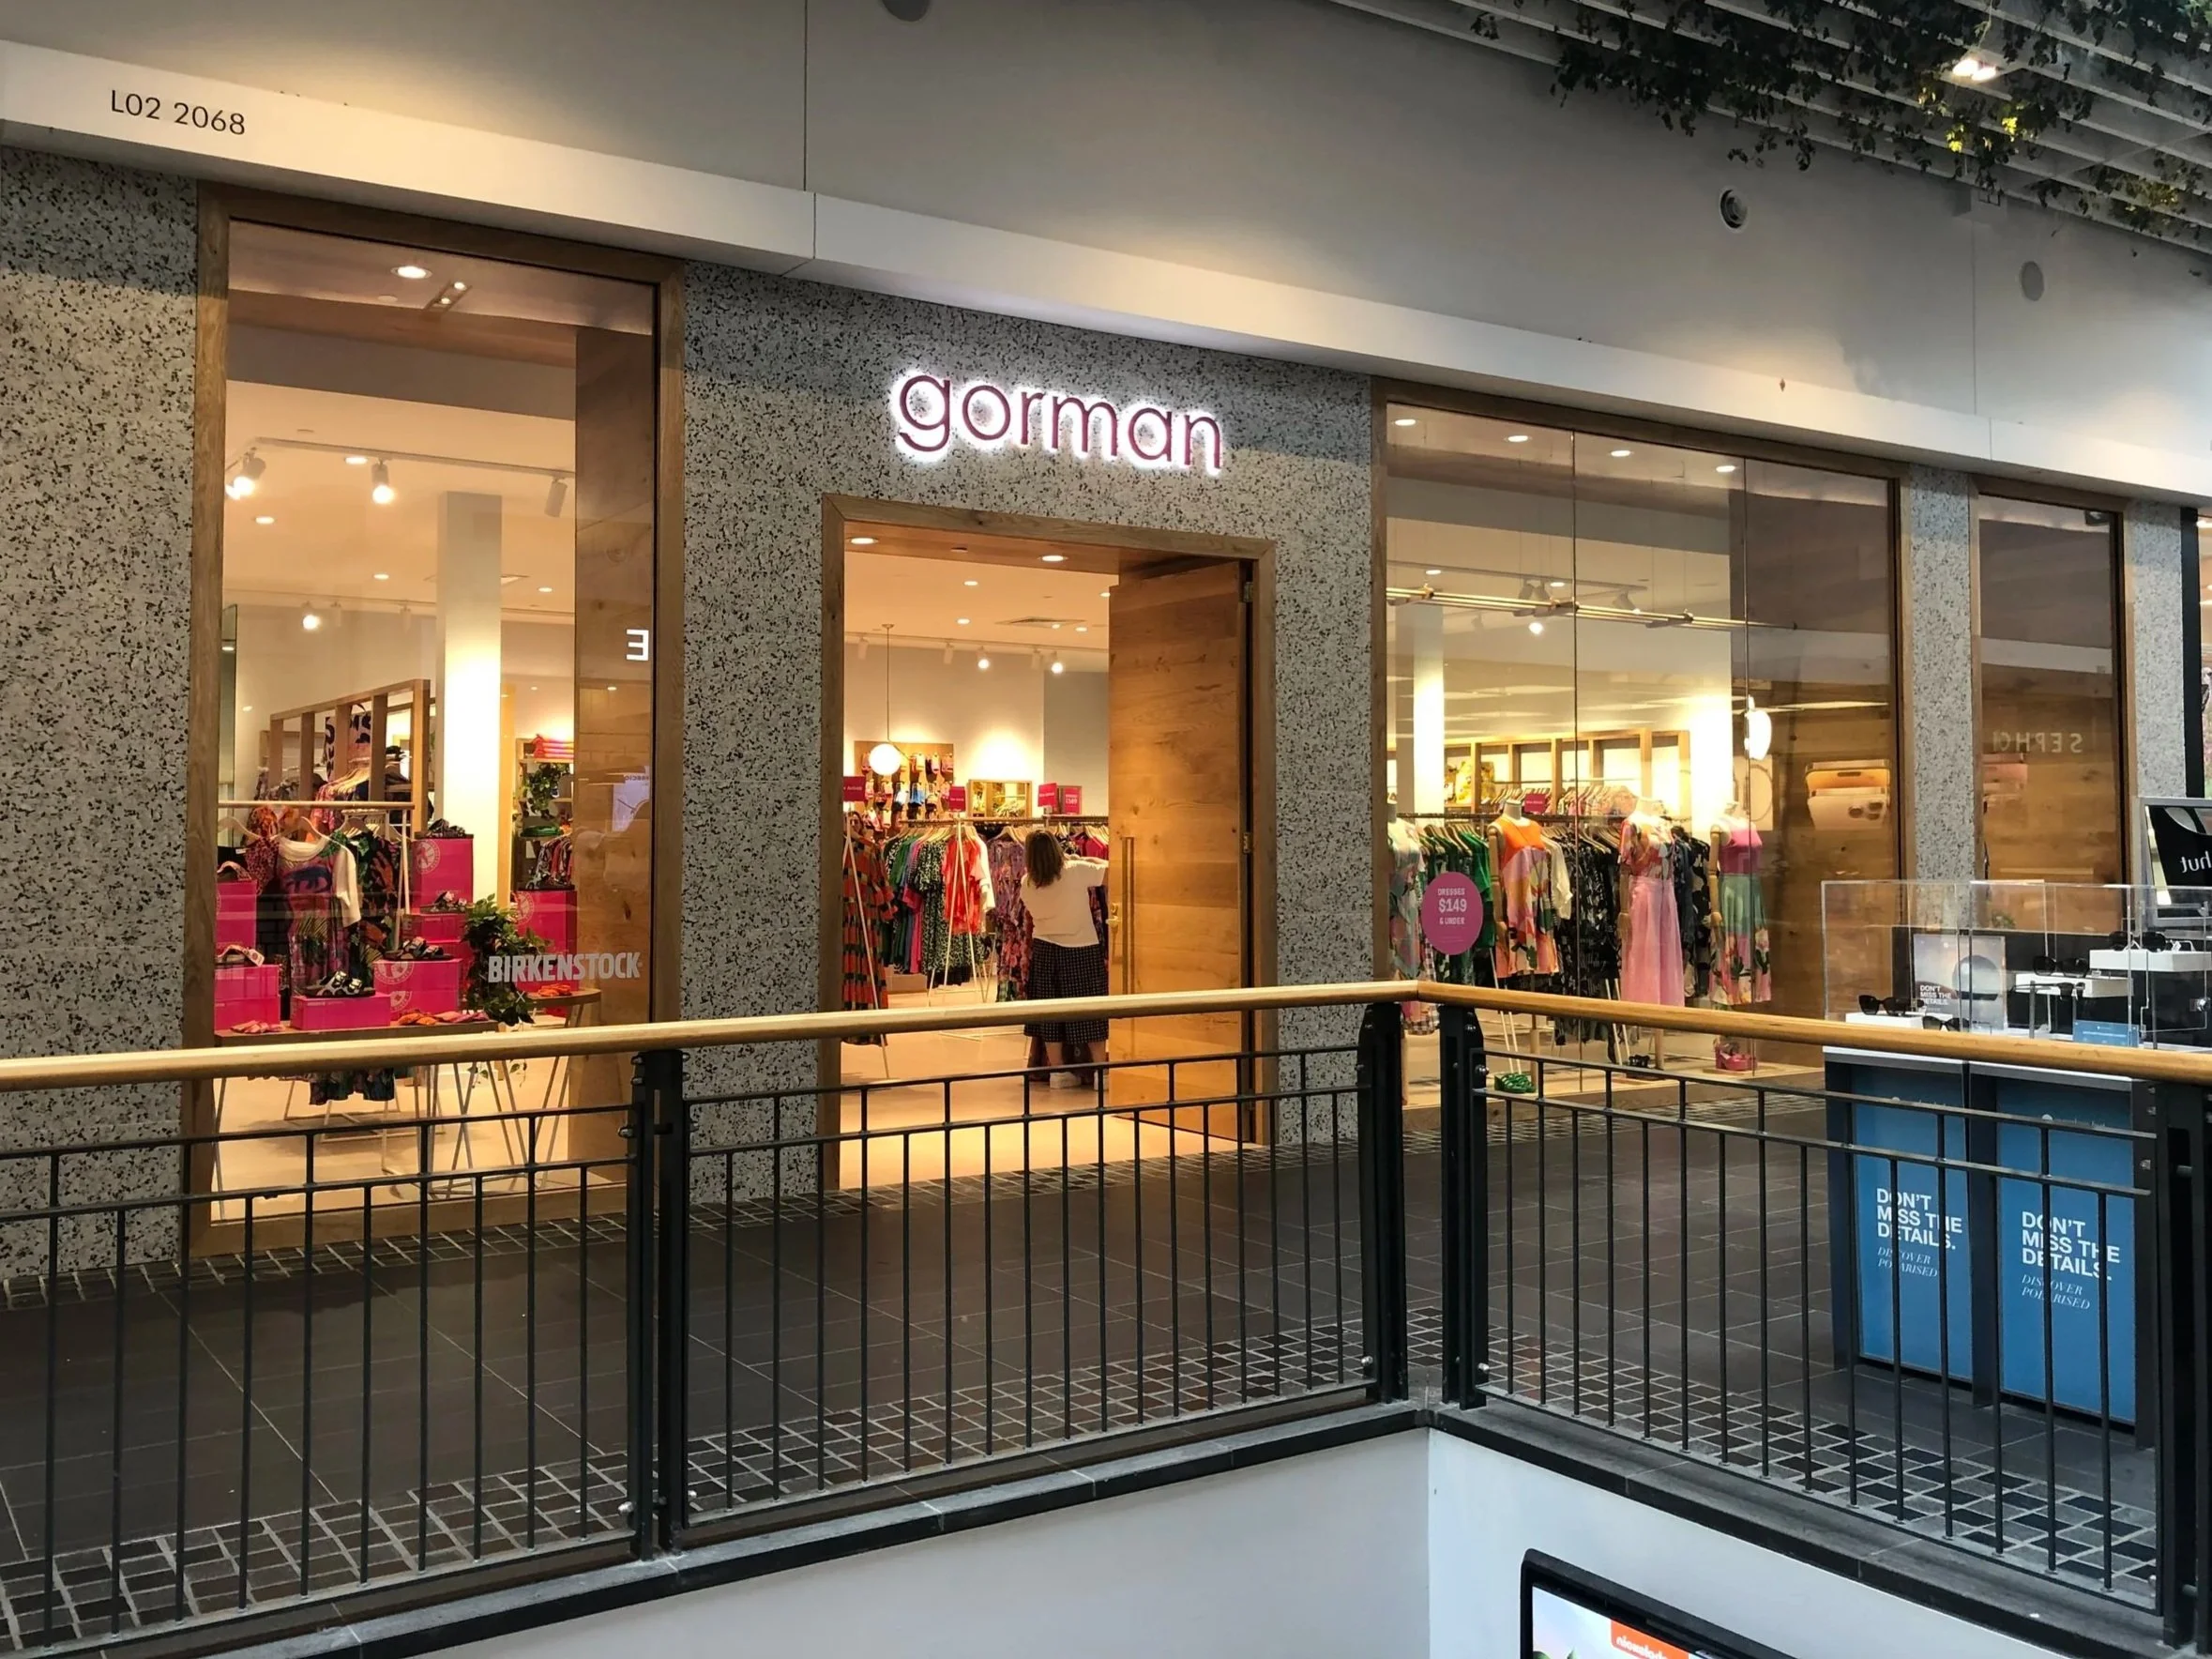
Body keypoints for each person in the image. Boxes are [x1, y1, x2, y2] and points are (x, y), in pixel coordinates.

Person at [1019, 830, 1109, 1088]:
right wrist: (1092, 861)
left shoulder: (1027, 882)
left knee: (1051, 1011)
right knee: (1090, 1010)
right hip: (1081, 947)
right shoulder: (1074, 871)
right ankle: (1100, 1071)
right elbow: (1113, 871)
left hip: (1045, 949)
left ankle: (1058, 1071)